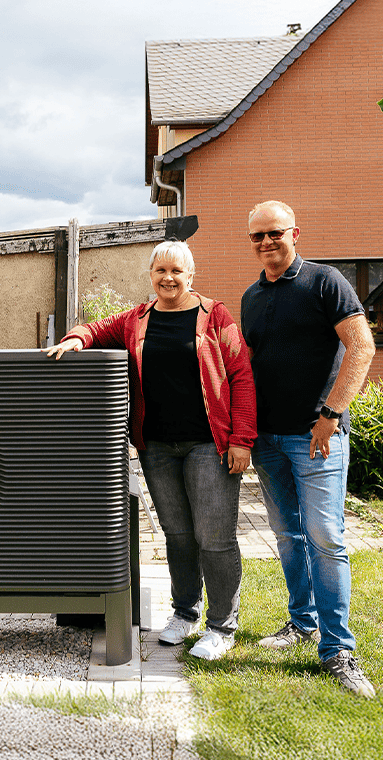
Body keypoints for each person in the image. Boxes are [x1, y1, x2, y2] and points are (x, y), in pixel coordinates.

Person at [45, 240, 256, 661]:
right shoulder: (136, 319)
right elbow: (95, 329)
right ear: (151, 275)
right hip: (157, 446)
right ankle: (184, 614)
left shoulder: (215, 316)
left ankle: (221, 627)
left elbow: (242, 375)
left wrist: (241, 439)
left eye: (177, 271)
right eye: (160, 271)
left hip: (208, 444)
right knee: (177, 536)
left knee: (213, 537)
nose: (168, 278)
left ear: (191, 276)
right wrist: (74, 340)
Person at [240, 200, 377, 698]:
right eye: (257, 236)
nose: (266, 242)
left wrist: (332, 415)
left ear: (294, 232)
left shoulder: (326, 281)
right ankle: (302, 622)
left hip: (316, 437)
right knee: (286, 534)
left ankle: (339, 650)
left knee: (325, 536)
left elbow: (361, 347)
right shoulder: (252, 297)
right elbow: (249, 365)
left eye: (274, 233)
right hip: (269, 439)